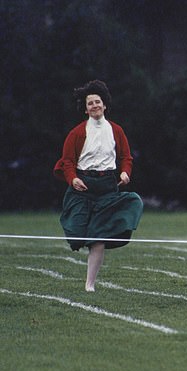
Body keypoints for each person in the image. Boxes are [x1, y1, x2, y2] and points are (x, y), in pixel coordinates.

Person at [53, 80, 143, 292]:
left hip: (107, 187)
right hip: (82, 187)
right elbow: (67, 161)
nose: (94, 106)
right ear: (85, 109)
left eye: (97, 102)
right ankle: (83, 234)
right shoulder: (77, 133)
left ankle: (89, 284)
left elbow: (126, 157)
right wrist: (73, 179)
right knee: (76, 234)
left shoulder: (116, 130)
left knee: (98, 236)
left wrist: (124, 173)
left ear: (105, 105)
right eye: (90, 103)